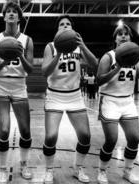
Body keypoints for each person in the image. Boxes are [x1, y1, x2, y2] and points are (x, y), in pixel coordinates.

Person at [41, 15, 98, 183]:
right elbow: (44, 72)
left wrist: (83, 45)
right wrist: (58, 54)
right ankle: (49, 170)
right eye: (61, 24)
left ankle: (77, 168)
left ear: (73, 29)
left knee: (85, 136)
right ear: (57, 29)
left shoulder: (78, 48)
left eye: (68, 24)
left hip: (74, 96)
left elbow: (94, 63)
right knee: (51, 136)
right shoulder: (50, 47)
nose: (65, 26)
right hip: (54, 95)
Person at [0, 1, 34, 183]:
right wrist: (5, 62)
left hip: (20, 86)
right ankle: (2, 168)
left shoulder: (27, 40)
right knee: (5, 130)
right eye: (9, 12)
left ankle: (24, 163)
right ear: (4, 16)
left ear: (19, 17)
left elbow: (30, 70)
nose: (12, 14)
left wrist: (20, 54)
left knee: (25, 131)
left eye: (15, 12)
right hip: (0, 85)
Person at [96, 24, 139, 184]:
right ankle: (102, 171)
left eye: (126, 34)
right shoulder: (108, 56)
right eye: (120, 34)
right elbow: (99, 80)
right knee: (111, 139)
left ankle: (127, 171)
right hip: (109, 100)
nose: (123, 36)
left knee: (134, 139)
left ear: (130, 38)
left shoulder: (134, 56)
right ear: (115, 39)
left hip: (127, 101)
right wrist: (117, 68)